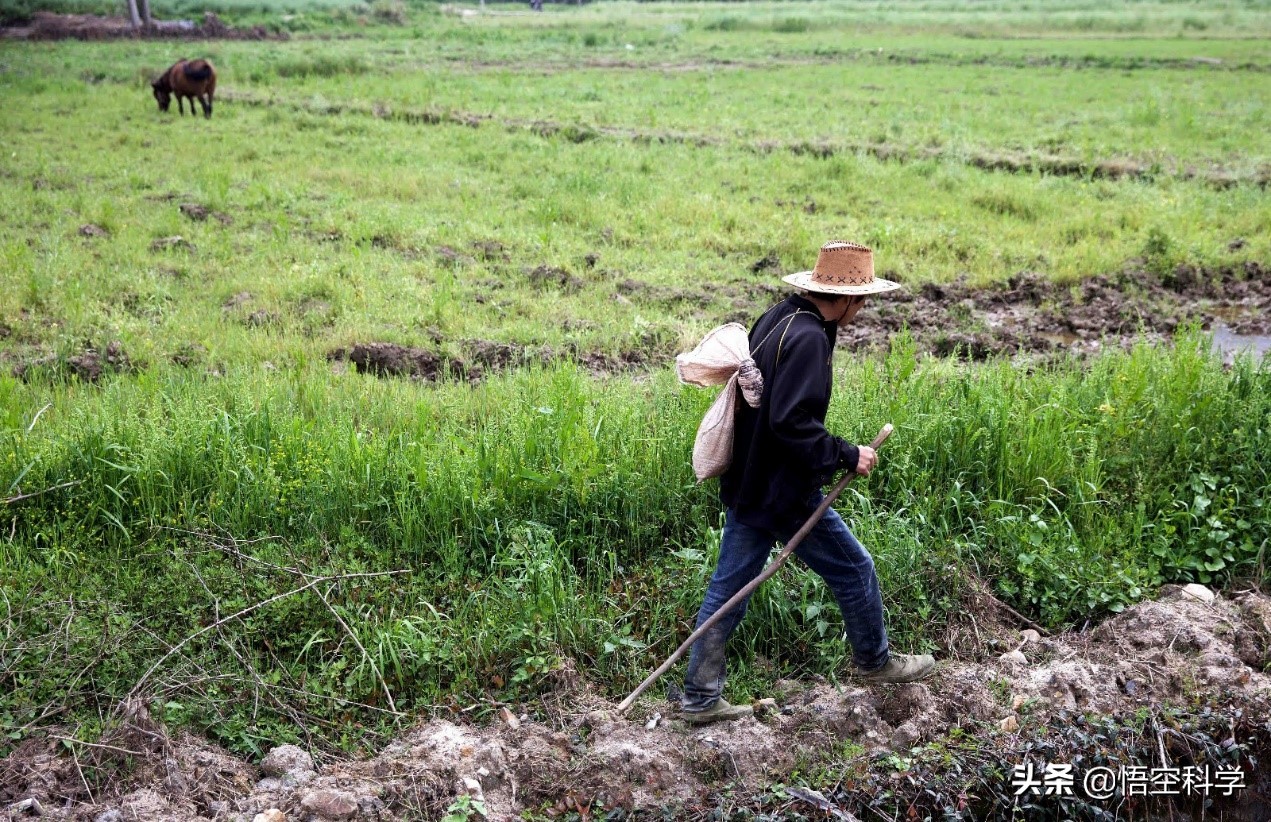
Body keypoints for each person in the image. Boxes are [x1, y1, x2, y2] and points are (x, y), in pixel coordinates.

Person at [680, 241, 935, 724]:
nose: (861, 311)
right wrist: (846, 454)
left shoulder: (777, 317)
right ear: (847, 300)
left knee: (729, 588)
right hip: (783, 491)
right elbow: (790, 422)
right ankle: (876, 663)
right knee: (853, 568)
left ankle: (699, 697)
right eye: (862, 302)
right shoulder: (811, 339)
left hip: (752, 481)